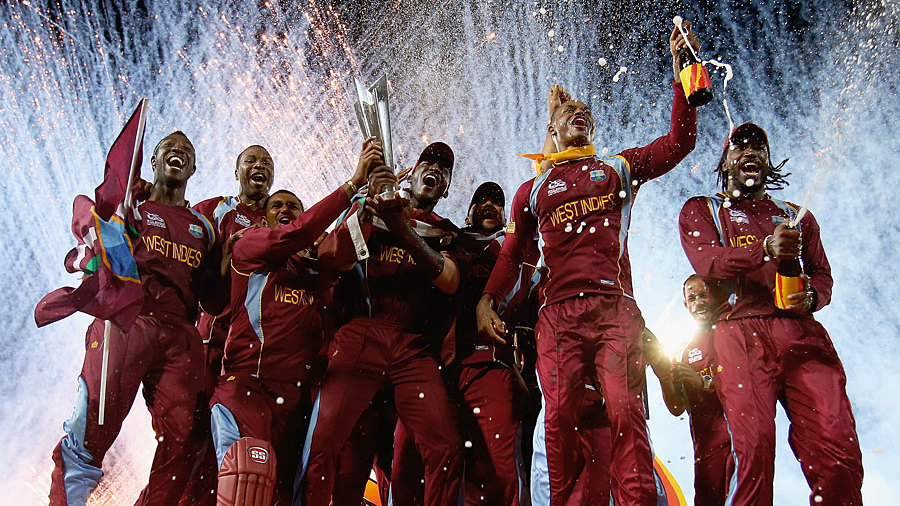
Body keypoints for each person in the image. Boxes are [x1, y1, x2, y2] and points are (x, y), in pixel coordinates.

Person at [476, 23, 701, 506]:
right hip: (557, 318)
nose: (579, 113)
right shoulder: (532, 190)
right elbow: (512, 252)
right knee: (558, 421)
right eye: (567, 112)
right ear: (551, 131)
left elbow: (679, 142)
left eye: (585, 112)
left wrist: (684, 72)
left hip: (614, 309)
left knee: (626, 415)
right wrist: (487, 299)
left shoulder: (616, 168)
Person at [678, 123, 863, 505]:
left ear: (767, 160)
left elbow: (822, 275)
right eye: (739, 146)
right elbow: (707, 261)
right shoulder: (703, 209)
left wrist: (811, 296)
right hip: (738, 334)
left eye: (759, 147)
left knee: (838, 451)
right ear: (725, 162)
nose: (750, 152)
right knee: (753, 454)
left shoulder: (796, 215)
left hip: (800, 333)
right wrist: (763, 248)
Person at [49, 131, 221, 505]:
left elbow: (215, 299)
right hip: (129, 322)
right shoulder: (128, 209)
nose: (178, 152)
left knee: (185, 440)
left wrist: (231, 261)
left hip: (181, 334)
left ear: (193, 169)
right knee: (92, 426)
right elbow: (86, 225)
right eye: (169, 148)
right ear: (154, 162)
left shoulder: (204, 228)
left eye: (186, 151)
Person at [210, 139, 379, 504]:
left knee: (300, 494)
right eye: (277, 206)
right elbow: (298, 232)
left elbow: (345, 247)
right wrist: (352, 183)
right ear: (264, 219)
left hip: (301, 400)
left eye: (293, 206)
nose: (285, 209)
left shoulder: (318, 265)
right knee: (246, 481)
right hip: (249, 388)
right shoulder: (249, 246)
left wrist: (369, 199)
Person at [299, 142, 463, 506]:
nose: (435, 169)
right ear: (411, 173)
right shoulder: (371, 204)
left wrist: (401, 226)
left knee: (446, 446)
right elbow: (332, 258)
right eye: (428, 163)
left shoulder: (447, 233)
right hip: (362, 331)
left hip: (413, 346)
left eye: (444, 169)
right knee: (325, 440)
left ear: (446, 190)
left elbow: (450, 280)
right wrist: (366, 209)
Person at [390, 181, 529, 505]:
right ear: (466, 213)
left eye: (497, 202)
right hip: (432, 367)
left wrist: (524, 367)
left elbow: (531, 307)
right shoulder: (444, 240)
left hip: (487, 364)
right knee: (408, 464)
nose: (489, 205)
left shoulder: (516, 252)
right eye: (481, 200)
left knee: (498, 469)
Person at [183, 143, 278, 506]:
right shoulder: (215, 210)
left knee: (241, 449)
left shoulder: (279, 218)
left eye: (266, 162)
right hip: (212, 341)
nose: (259, 165)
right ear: (236, 171)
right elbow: (182, 248)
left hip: (254, 356)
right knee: (193, 439)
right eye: (250, 160)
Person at [645, 275, 734, 506]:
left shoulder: (733, 331)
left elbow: (748, 382)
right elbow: (677, 407)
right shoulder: (683, 350)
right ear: (685, 304)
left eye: (703, 295)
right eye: (692, 298)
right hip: (704, 452)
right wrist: (663, 373)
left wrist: (704, 382)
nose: (698, 303)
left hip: (735, 442)